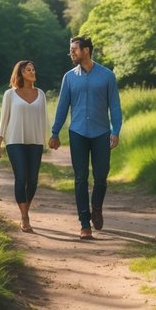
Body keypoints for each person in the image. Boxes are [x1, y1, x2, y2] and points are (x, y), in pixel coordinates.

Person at [48, 36, 122, 240]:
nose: (71, 53)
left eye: (74, 49)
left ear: (86, 50)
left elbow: (114, 105)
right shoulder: (69, 77)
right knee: (80, 177)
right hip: (78, 133)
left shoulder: (107, 76)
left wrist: (116, 131)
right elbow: (62, 107)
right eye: (70, 49)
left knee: (101, 176)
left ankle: (96, 206)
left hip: (101, 133)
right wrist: (55, 133)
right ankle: (84, 224)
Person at [0, 60, 48, 233]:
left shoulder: (41, 94)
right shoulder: (10, 94)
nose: (32, 72)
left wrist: (51, 138)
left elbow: (44, 119)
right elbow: (4, 119)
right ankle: (24, 216)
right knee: (21, 177)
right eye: (28, 70)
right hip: (15, 140)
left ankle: (26, 209)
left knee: (33, 180)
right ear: (20, 73)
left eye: (33, 69)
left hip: (36, 141)